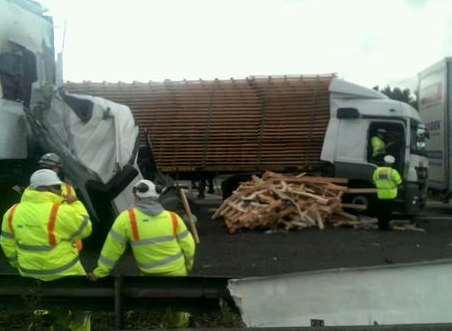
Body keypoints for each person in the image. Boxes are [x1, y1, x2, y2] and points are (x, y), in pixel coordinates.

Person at [88, 179, 196, 328]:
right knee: (177, 311)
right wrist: (189, 266)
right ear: (157, 196)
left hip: (148, 279)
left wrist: (100, 272)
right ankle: (177, 324)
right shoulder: (173, 218)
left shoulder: (126, 219)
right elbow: (189, 246)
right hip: (177, 275)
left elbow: (111, 250)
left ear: (136, 196)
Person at [0, 169, 92, 330]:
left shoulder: (12, 212)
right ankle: (79, 319)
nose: (60, 190)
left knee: (42, 308)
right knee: (82, 303)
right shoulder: (59, 212)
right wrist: (75, 203)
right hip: (64, 274)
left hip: (30, 274)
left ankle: (44, 321)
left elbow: (7, 243)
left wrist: (18, 264)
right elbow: (85, 229)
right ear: (50, 188)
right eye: (57, 187)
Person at [372, 155, 402, 230]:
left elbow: (374, 181)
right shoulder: (393, 172)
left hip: (380, 194)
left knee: (380, 211)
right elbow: (399, 182)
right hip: (390, 195)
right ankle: (386, 226)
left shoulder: (377, 171)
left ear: (384, 162)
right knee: (388, 212)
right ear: (392, 164)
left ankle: (380, 226)